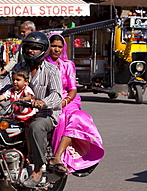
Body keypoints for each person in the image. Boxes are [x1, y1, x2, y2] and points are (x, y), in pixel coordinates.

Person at [0, 31, 63, 187]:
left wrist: (42, 102)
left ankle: (37, 169)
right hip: (20, 113)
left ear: (42, 50)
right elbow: (3, 89)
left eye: (35, 48)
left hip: (45, 114)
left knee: (36, 127)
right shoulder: (19, 67)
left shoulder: (51, 70)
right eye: (28, 47)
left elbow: (57, 96)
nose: (30, 51)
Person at [44, 33, 104, 174]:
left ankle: (58, 156)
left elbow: (72, 89)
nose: (56, 49)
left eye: (59, 47)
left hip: (68, 101)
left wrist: (64, 102)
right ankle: (56, 157)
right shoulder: (42, 64)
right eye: (53, 46)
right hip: (49, 102)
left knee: (78, 118)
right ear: (48, 47)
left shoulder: (68, 65)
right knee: (61, 119)